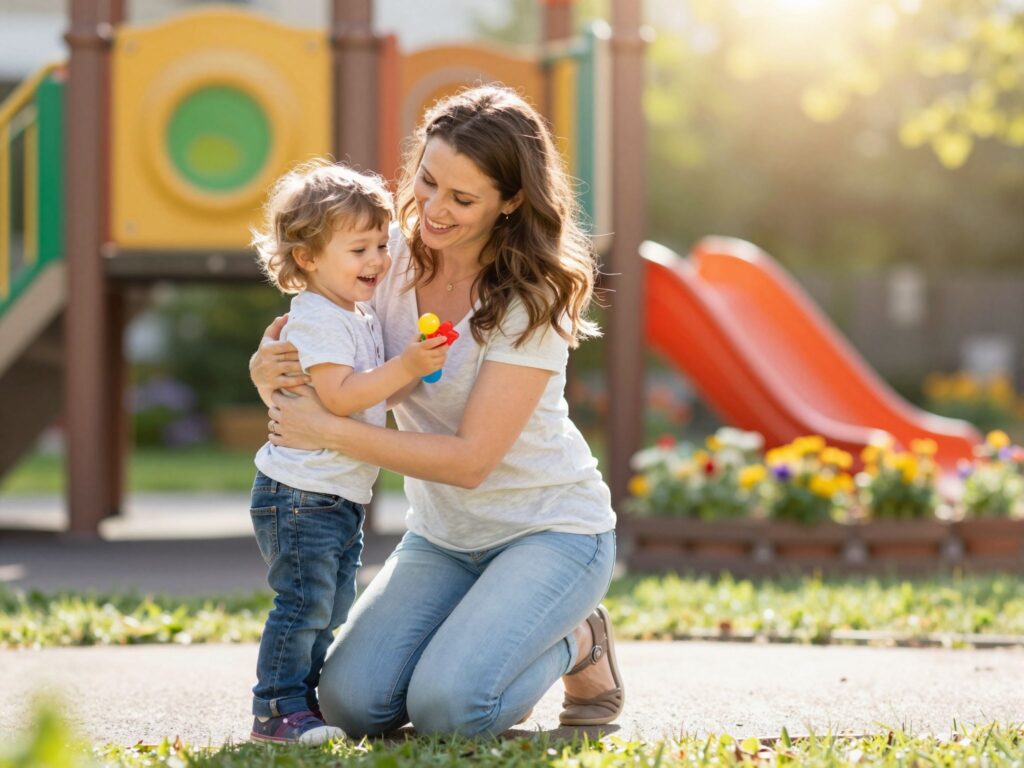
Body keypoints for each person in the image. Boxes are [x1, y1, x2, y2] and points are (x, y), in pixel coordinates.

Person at [250, 85, 623, 737]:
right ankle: (483, 627)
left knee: (450, 711)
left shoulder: (530, 299)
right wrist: (270, 369)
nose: (433, 209)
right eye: (427, 181)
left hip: (550, 530)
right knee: (353, 705)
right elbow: (320, 333)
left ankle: (578, 640)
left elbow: (471, 460)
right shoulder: (383, 256)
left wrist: (328, 429)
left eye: (462, 198)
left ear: (510, 202)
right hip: (444, 537)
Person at [246, 160, 450, 744]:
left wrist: (414, 373)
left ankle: (300, 708)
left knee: (328, 607)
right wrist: (404, 365)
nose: (377, 262)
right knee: (304, 604)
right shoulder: (317, 318)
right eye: (359, 249)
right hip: (300, 495)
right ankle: (276, 710)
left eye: (381, 246)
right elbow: (338, 398)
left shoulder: (353, 315)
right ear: (307, 259)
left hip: (333, 495)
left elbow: (371, 399)